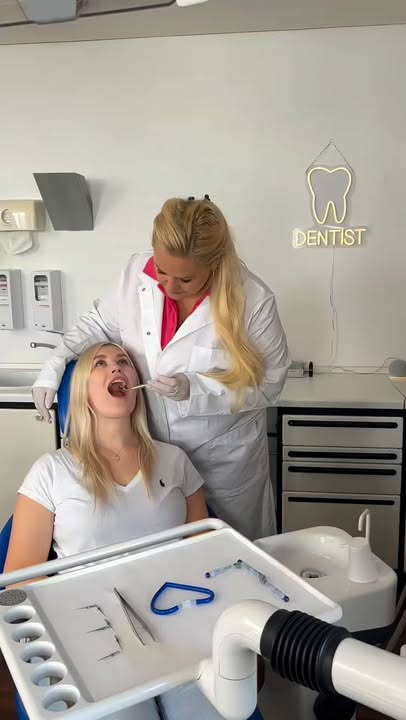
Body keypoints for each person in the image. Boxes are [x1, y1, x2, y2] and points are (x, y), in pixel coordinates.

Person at [5, 342, 258, 720]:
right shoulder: (51, 471)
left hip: (176, 618)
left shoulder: (174, 460)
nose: (116, 369)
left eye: (123, 362)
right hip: (91, 630)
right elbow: (19, 581)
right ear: (81, 391)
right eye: (100, 364)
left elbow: (207, 558)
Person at [32, 196, 289, 540]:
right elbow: (98, 324)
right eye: (161, 271)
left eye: (185, 279)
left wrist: (195, 389)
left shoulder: (254, 301)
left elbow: (270, 384)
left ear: (215, 265)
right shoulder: (135, 273)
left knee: (235, 551)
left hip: (222, 463)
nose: (168, 287)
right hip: (152, 456)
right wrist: (56, 360)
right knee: (166, 551)